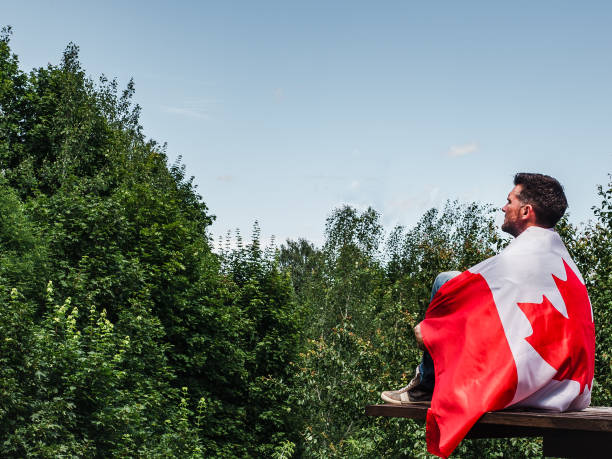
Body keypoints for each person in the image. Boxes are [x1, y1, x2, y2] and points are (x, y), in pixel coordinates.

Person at [381, 172, 572, 405]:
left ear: (525, 211)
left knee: (446, 281)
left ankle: (427, 386)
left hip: (524, 383)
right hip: (565, 387)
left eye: (510, 201)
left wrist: (434, 330)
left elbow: (472, 294)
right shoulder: (560, 258)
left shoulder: (517, 259)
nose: (503, 208)